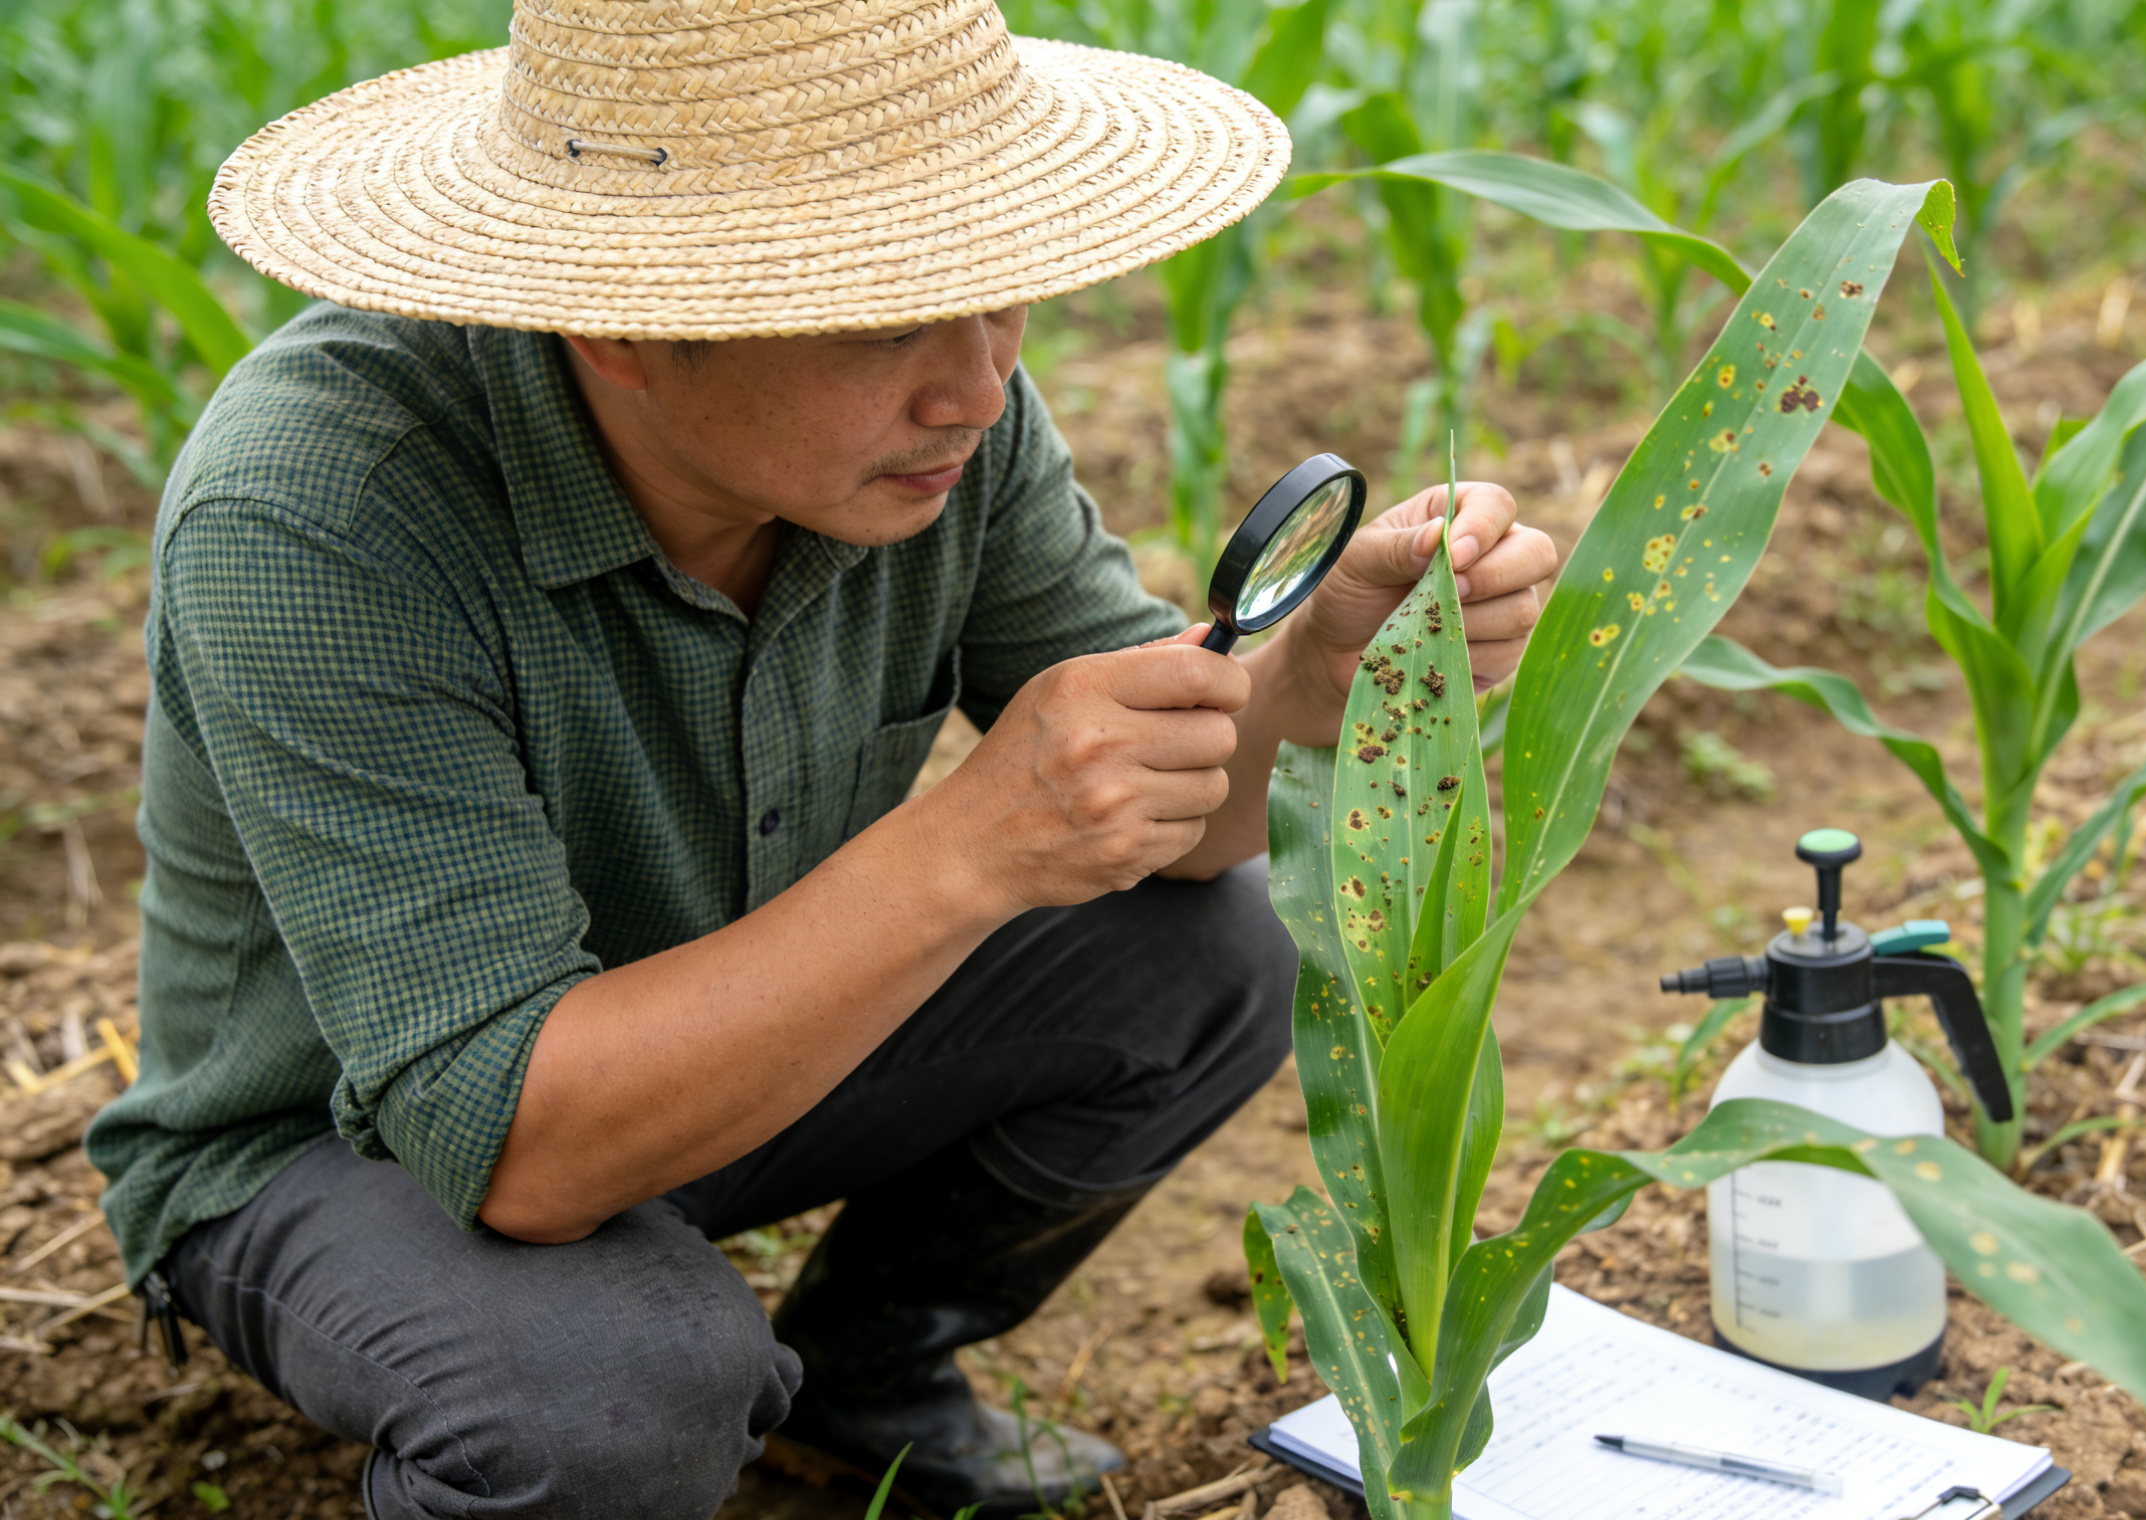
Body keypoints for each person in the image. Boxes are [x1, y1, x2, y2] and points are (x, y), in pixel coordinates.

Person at [84, 2, 1557, 1516]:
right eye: (881, 318)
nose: (978, 386)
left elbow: (1183, 819)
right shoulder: (321, 512)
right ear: (622, 322)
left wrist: (1312, 679)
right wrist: (969, 846)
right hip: (352, 1151)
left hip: (727, 1049)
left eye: (1000, 293)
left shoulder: (931, 436)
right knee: (615, 1396)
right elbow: (519, 1149)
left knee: (1209, 949)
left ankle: (870, 1375)